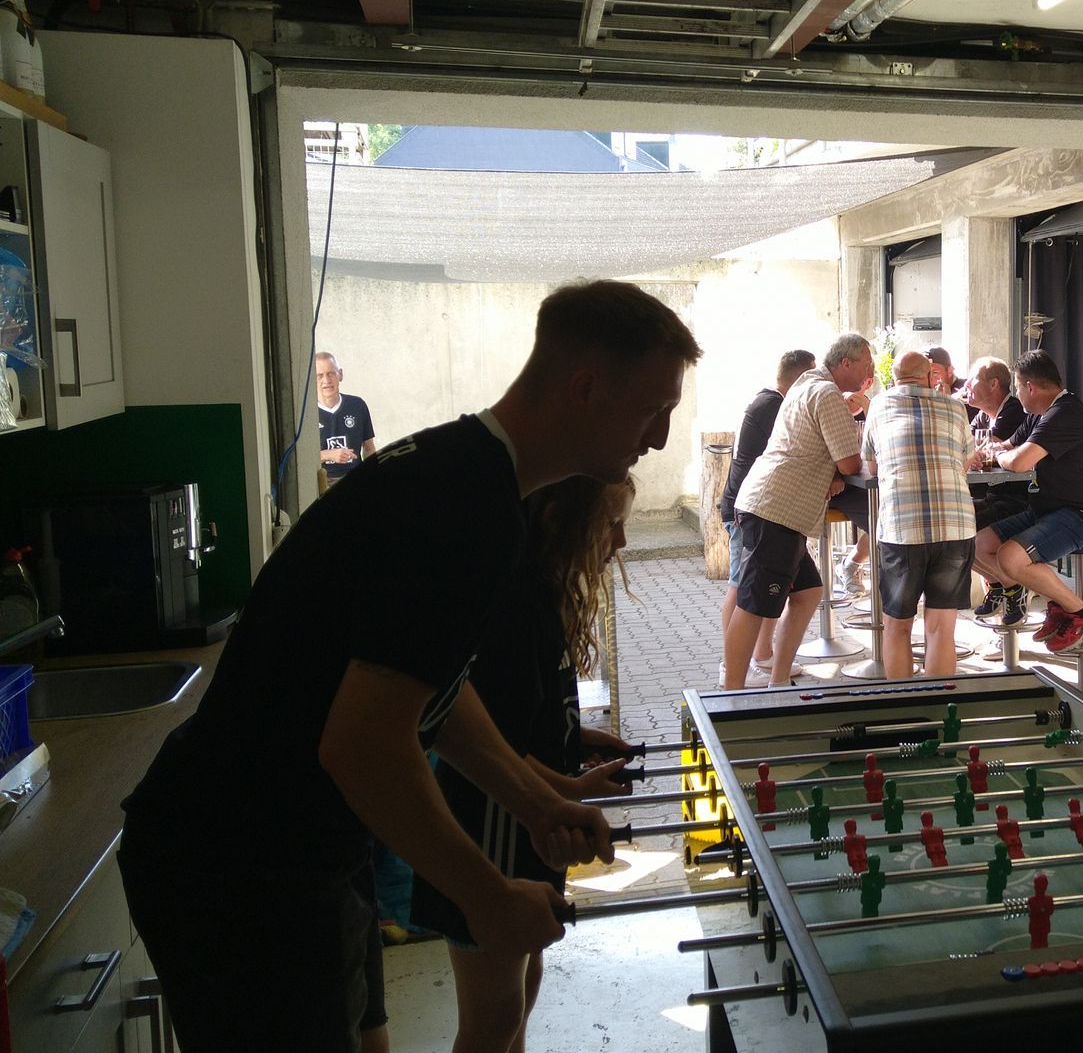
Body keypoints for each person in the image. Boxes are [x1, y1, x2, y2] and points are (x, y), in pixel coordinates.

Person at [117, 280, 701, 1052]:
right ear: (586, 389)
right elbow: (362, 745)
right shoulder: (466, 511)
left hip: (298, 850)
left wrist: (533, 801)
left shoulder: (470, 478)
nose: (658, 438)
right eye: (651, 410)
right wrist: (485, 896)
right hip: (238, 865)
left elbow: (432, 692)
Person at [412, 475, 638, 1053]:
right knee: (494, 1016)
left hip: (521, 829)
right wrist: (568, 788)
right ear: (558, 522)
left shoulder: (543, 594)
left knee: (527, 978)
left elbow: (526, 714)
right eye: (609, 524)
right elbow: (497, 752)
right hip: (488, 828)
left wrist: (574, 737)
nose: (620, 541)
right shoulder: (514, 606)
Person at [725, 333, 874, 688]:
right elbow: (851, 463)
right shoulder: (827, 394)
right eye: (867, 364)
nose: (870, 373)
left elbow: (820, 448)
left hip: (769, 505)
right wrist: (842, 466)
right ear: (846, 363)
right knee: (752, 606)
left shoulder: (807, 384)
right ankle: (730, 691)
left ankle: (778, 681)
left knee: (808, 593)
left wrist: (835, 471)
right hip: (776, 509)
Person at [969, 349, 1083, 653]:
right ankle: (1055, 604)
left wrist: (999, 455)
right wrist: (1000, 451)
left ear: (1030, 387)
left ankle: (1080, 612)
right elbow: (1005, 445)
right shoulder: (1038, 415)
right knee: (977, 545)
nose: (1016, 395)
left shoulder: (1064, 413)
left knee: (1011, 558)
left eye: (1017, 387)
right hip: (1052, 508)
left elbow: (1019, 460)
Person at [862, 350, 975, 679]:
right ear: (930, 377)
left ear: (892, 379)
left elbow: (871, 465)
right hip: (955, 527)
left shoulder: (880, 405)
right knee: (941, 627)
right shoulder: (955, 406)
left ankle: (904, 707)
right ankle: (940, 708)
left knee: (897, 625)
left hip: (902, 529)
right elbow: (966, 460)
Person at [717, 349, 815, 687]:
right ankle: (731, 671)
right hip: (755, 509)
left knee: (783, 590)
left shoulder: (767, 401)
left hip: (751, 506)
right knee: (742, 590)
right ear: (801, 379)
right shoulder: (776, 406)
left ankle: (761, 659)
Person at [962, 356, 1031, 625]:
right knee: (953, 533)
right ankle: (1002, 585)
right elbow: (966, 448)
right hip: (993, 495)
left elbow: (980, 450)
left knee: (962, 535)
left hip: (1020, 499)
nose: (966, 384)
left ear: (993, 384)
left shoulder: (1012, 411)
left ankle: (1011, 585)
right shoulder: (983, 415)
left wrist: (973, 451)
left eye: (973, 379)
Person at [316, 351, 377, 483]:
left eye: (331, 373)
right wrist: (328, 455)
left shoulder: (357, 405)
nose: (326, 381)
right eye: (320, 376)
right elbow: (300, 458)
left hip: (355, 478)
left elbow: (369, 448)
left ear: (340, 374)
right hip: (322, 482)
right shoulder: (308, 415)